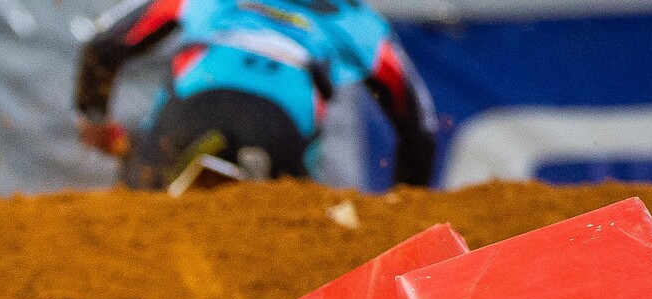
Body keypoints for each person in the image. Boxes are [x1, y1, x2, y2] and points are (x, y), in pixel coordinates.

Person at [73, 0, 439, 191]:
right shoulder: (359, 18)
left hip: (194, 106)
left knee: (139, 197)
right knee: (285, 252)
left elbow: (104, 44)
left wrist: (95, 121)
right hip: (284, 126)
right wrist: (404, 203)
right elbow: (420, 121)